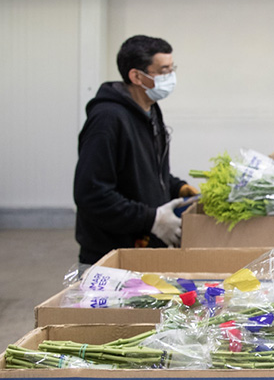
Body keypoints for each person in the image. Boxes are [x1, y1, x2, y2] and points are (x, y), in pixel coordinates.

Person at [74, 35, 198, 266]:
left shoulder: (150, 111)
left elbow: (146, 170)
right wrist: (152, 219)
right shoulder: (107, 120)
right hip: (112, 256)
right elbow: (92, 195)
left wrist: (177, 187)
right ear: (137, 76)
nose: (171, 77)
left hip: (146, 251)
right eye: (163, 71)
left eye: (172, 69)